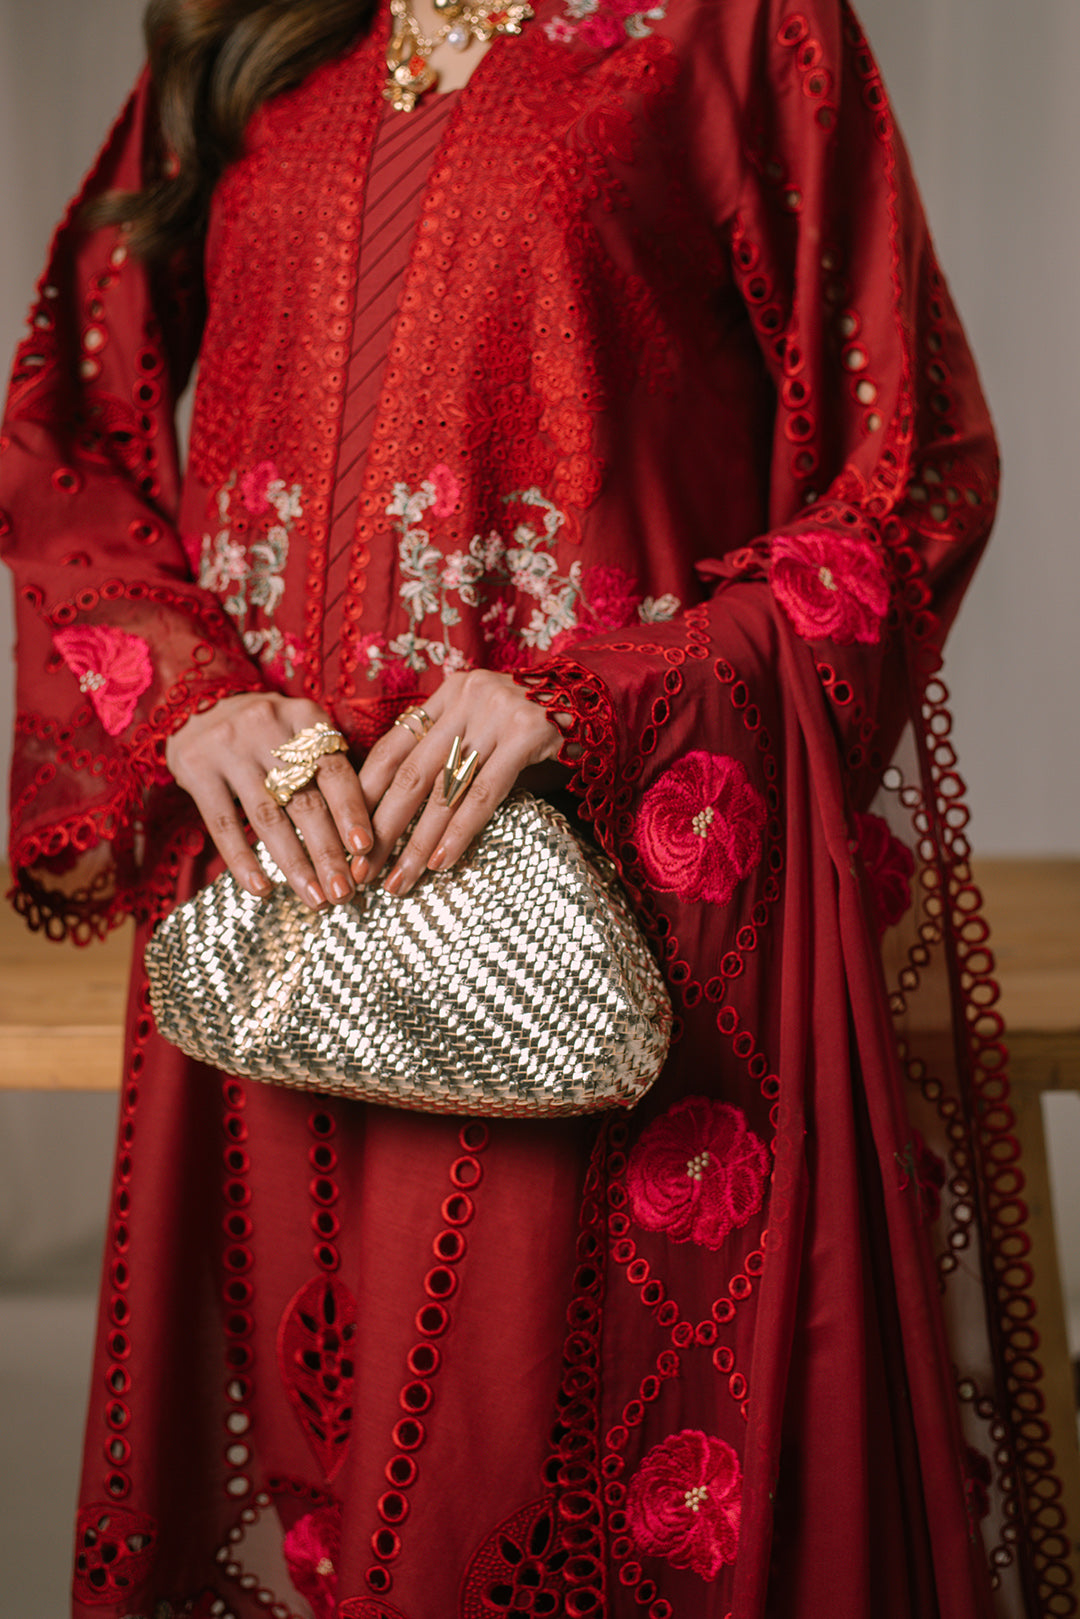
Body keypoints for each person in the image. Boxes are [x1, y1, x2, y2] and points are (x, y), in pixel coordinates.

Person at [0, 0, 1072, 1614]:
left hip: (584, 921)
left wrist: (596, 699)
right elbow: (68, 431)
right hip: (290, 929)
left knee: (538, 1491)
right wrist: (190, 691)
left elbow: (914, 478)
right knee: (332, 1487)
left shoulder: (738, 28)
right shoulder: (256, 32)